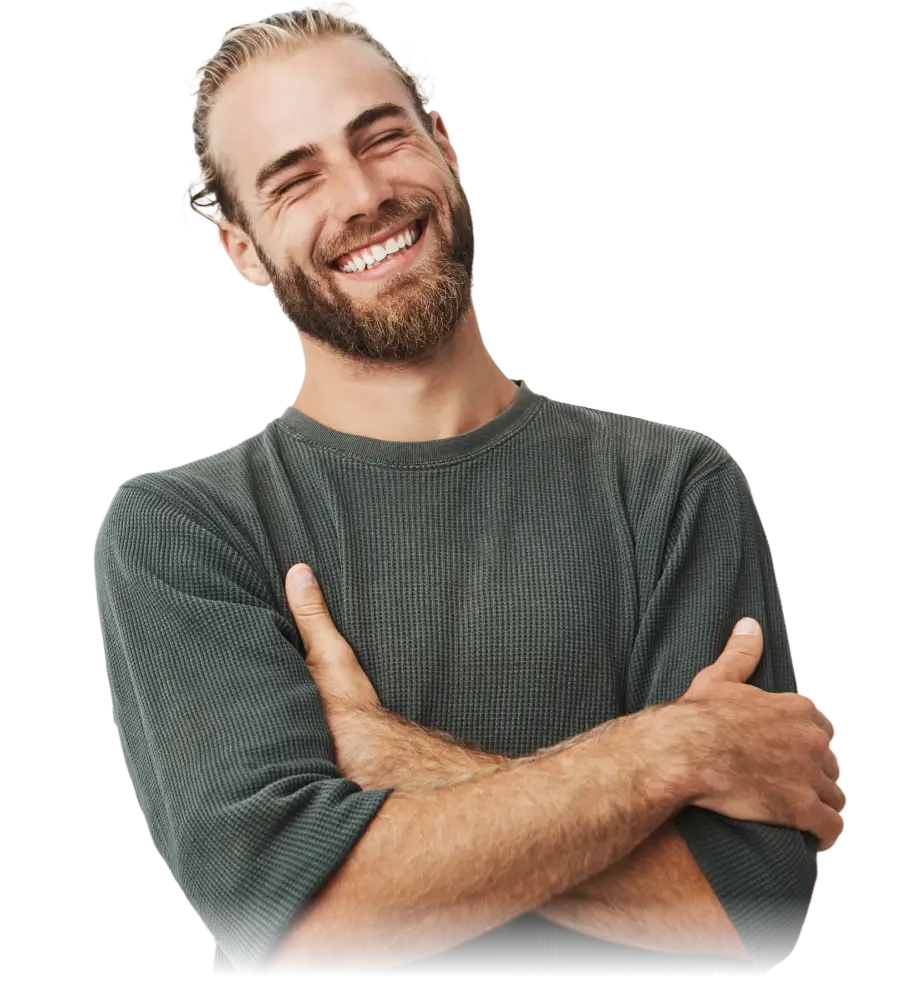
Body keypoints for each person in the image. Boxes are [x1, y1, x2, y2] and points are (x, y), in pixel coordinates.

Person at [98, 2, 844, 976]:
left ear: (444, 144)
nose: (363, 195)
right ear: (238, 247)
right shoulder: (185, 531)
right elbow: (297, 917)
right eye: (296, 180)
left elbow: (746, 904)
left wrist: (392, 763)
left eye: (383, 137)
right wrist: (669, 754)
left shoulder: (670, 489)